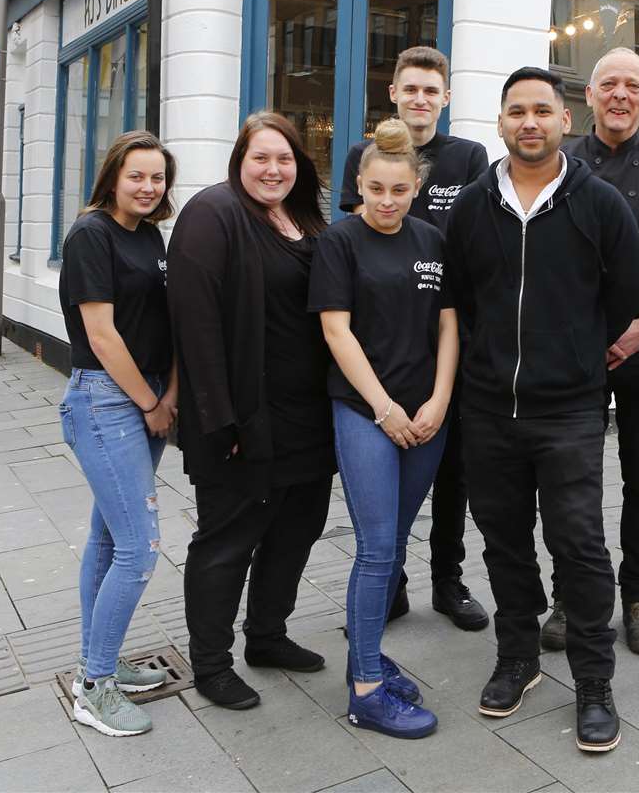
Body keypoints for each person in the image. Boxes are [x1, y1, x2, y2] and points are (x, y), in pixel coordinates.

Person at [445, 67, 639, 753]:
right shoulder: (472, 205)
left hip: (568, 409)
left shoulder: (600, 204)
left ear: (565, 120)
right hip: (489, 407)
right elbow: (460, 300)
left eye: (542, 110)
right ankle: (519, 657)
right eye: (516, 111)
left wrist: (577, 354)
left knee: (579, 545)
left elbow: (627, 294)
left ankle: (594, 681)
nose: (529, 122)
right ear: (501, 122)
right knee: (502, 540)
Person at [166, 112, 335, 710]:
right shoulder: (214, 215)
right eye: (261, 158)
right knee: (227, 541)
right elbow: (196, 324)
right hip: (242, 420)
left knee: (296, 530)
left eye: (284, 158)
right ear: (240, 161)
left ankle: (267, 635)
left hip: (307, 418)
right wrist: (220, 419)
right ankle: (210, 664)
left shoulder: (306, 219)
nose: (273, 169)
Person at [542, 48, 639, 656]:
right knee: (568, 481)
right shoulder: (560, 165)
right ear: (589, 96)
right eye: (609, 83)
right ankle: (573, 596)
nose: (620, 95)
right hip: (573, 354)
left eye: (632, 86)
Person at [313, 117, 460, 739]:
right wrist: (384, 408)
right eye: (375, 189)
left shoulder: (430, 239)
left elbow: (450, 325)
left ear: (415, 188)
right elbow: (335, 331)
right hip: (366, 413)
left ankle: (366, 658)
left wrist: (439, 401)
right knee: (376, 550)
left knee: (395, 545)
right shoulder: (339, 242)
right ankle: (366, 691)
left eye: (398, 191)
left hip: (426, 417)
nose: (386, 201)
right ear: (360, 185)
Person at [338, 45, 490, 631]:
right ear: (393, 94)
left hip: (449, 335)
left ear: (445, 99)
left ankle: (447, 581)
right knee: (383, 473)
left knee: (452, 468)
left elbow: (478, 239)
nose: (421, 99)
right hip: (381, 336)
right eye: (411, 88)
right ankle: (389, 577)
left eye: (432, 90)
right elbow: (354, 236)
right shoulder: (364, 154)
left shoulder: (469, 157)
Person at [57, 130, 179, 737]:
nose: (148, 187)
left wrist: (169, 393)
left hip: (146, 395)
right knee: (140, 548)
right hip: (108, 402)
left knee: (109, 539)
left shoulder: (150, 234)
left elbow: (165, 318)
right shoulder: (91, 235)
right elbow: (102, 337)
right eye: (138, 176)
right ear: (113, 177)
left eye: (158, 178)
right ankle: (94, 686)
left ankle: (95, 662)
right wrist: (152, 402)